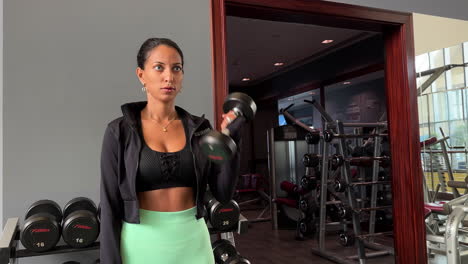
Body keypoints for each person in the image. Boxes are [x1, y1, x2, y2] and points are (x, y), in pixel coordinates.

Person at [99, 37, 242, 264]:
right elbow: (109, 206)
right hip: (141, 243)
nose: (169, 76)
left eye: (177, 68)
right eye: (159, 67)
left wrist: (232, 138)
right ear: (141, 75)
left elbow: (223, 193)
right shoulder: (119, 132)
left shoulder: (201, 131)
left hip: (193, 241)